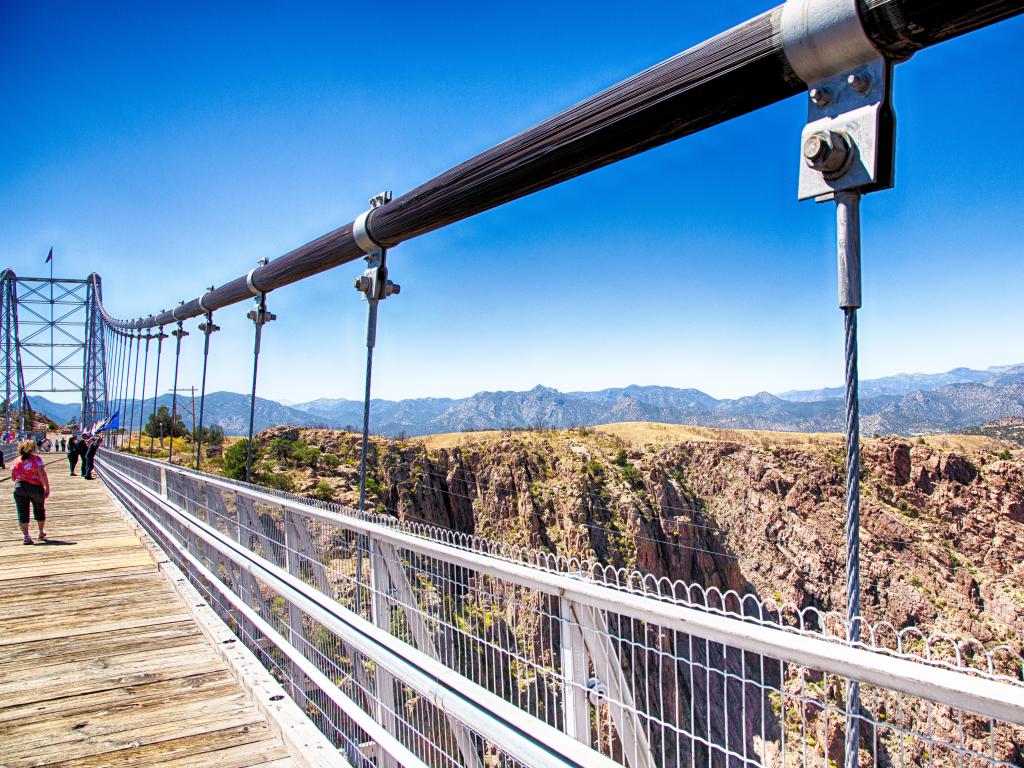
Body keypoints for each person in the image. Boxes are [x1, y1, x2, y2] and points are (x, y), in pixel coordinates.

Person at [12, 439, 49, 545]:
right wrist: (47, 487)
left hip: (20, 488)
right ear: (32, 449)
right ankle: (41, 532)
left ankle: (26, 536)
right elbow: (42, 474)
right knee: (39, 508)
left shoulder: (16, 460)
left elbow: (13, 477)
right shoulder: (36, 459)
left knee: (22, 511)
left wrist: (22, 477)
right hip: (35, 487)